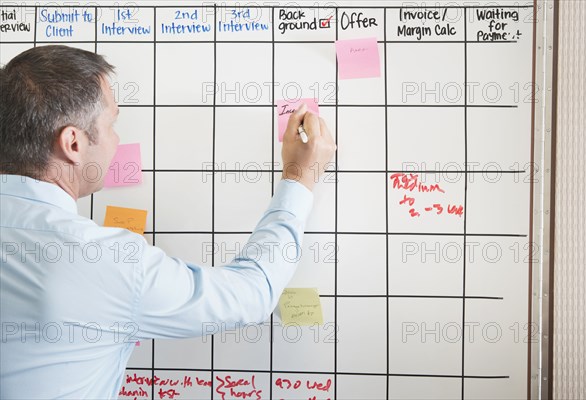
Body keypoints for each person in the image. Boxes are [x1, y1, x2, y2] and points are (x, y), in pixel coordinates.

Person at [0, 45, 336, 398]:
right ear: (73, 142)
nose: (116, 140)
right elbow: (252, 295)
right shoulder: (104, 262)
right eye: (112, 124)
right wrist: (300, 177)